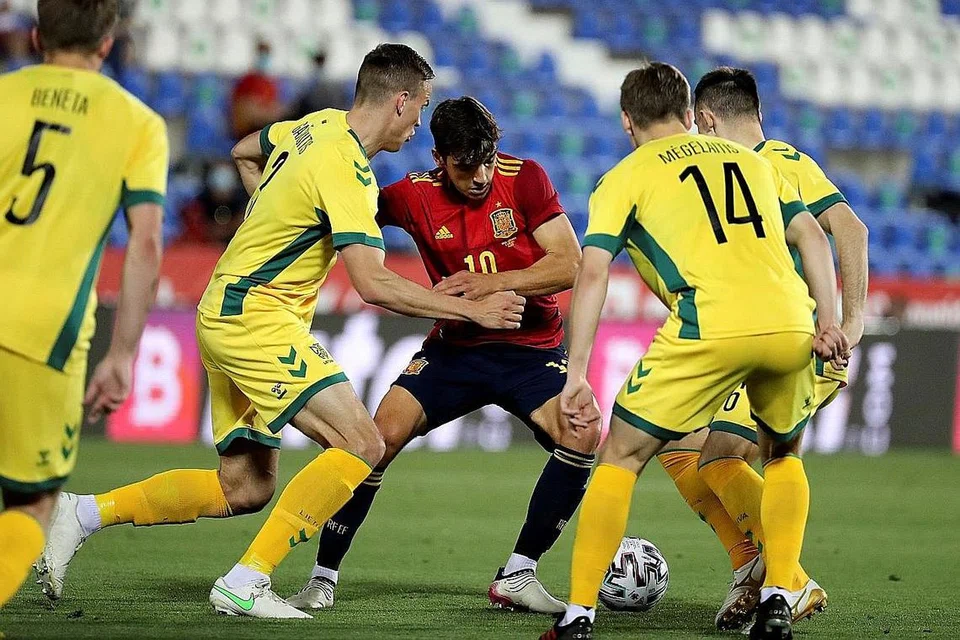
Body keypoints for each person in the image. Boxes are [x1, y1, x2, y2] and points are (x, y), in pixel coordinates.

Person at [38, 44, 526, 619]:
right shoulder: (347, 169)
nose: (420, 122)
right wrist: (475, 310)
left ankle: (82, 513)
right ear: (398, 101)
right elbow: (370, 282)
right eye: (419, 107)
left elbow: (245, 150)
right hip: (255, 316)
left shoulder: (312, 127)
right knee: (362, 443)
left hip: (225, 310)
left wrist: (266, 211)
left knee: (244, 487)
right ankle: (247, 579)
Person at [540, 62, 849, 640]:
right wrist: (829, 321)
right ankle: (781, 595)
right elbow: (812, 233)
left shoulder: (623, 178)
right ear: (689, 115)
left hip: (709, 322)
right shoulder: (753, 162)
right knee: (783, 455)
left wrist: (576, 372)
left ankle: (578, 615)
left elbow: (594, 272)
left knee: (622, 456)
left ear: (628, 122)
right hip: (790, 322)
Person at [286, 97, 598, 614]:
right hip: (454, 350)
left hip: (530, 350)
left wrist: (490, 283)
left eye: (487, 160)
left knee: (583, 433)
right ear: (438, 158)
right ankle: (322, 577)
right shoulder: (412, 195)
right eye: (464, 165)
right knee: (376, 438)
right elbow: (344, 217)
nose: (480, 175)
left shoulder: (525, 178)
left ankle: (519, 572)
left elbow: (570, 263)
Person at [649, 65, 871, 632]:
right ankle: (754, 569)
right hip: (753, 333)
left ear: (706, 120)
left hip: (797, 335)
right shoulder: (763, 164)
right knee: (681, 440)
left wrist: (849, 321)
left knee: (727, 452)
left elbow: (850, 230)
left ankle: (786, 581)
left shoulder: (777, 163)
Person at [0, 0, 166, 608]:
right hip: (44, 334)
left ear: (38, 35)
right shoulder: (137, 123)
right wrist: (122, 354)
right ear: (106, 43)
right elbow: (145, 241)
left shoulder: (4, 97)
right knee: (32, 504)